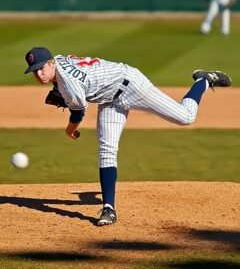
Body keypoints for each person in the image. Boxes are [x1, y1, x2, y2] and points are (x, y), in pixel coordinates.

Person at [24, 46, 232, 226]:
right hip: (108, 98)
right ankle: (108, 209)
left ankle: (203, 80)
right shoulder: (58, 62)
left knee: (185, 117)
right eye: (35, 71)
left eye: (42, 68)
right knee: (106, 150)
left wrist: (69, 131)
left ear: (52, 63)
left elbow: (78, 113)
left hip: (132, 85)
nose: (39, 74)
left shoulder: (68, 84)